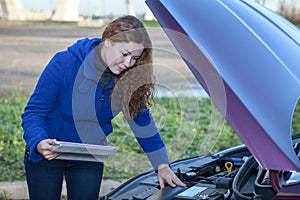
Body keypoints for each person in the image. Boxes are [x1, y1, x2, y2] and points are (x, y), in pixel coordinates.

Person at [21, 15, 186, 200]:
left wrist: (162, 165)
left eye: (135, 58)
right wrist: (39, 141)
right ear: (108, 41)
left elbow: (142, 122)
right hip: (48, 153)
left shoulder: (128, 77)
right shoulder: (64, 63)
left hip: (89, 155)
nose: (128, 64)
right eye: (124, 54)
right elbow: (34, 112)